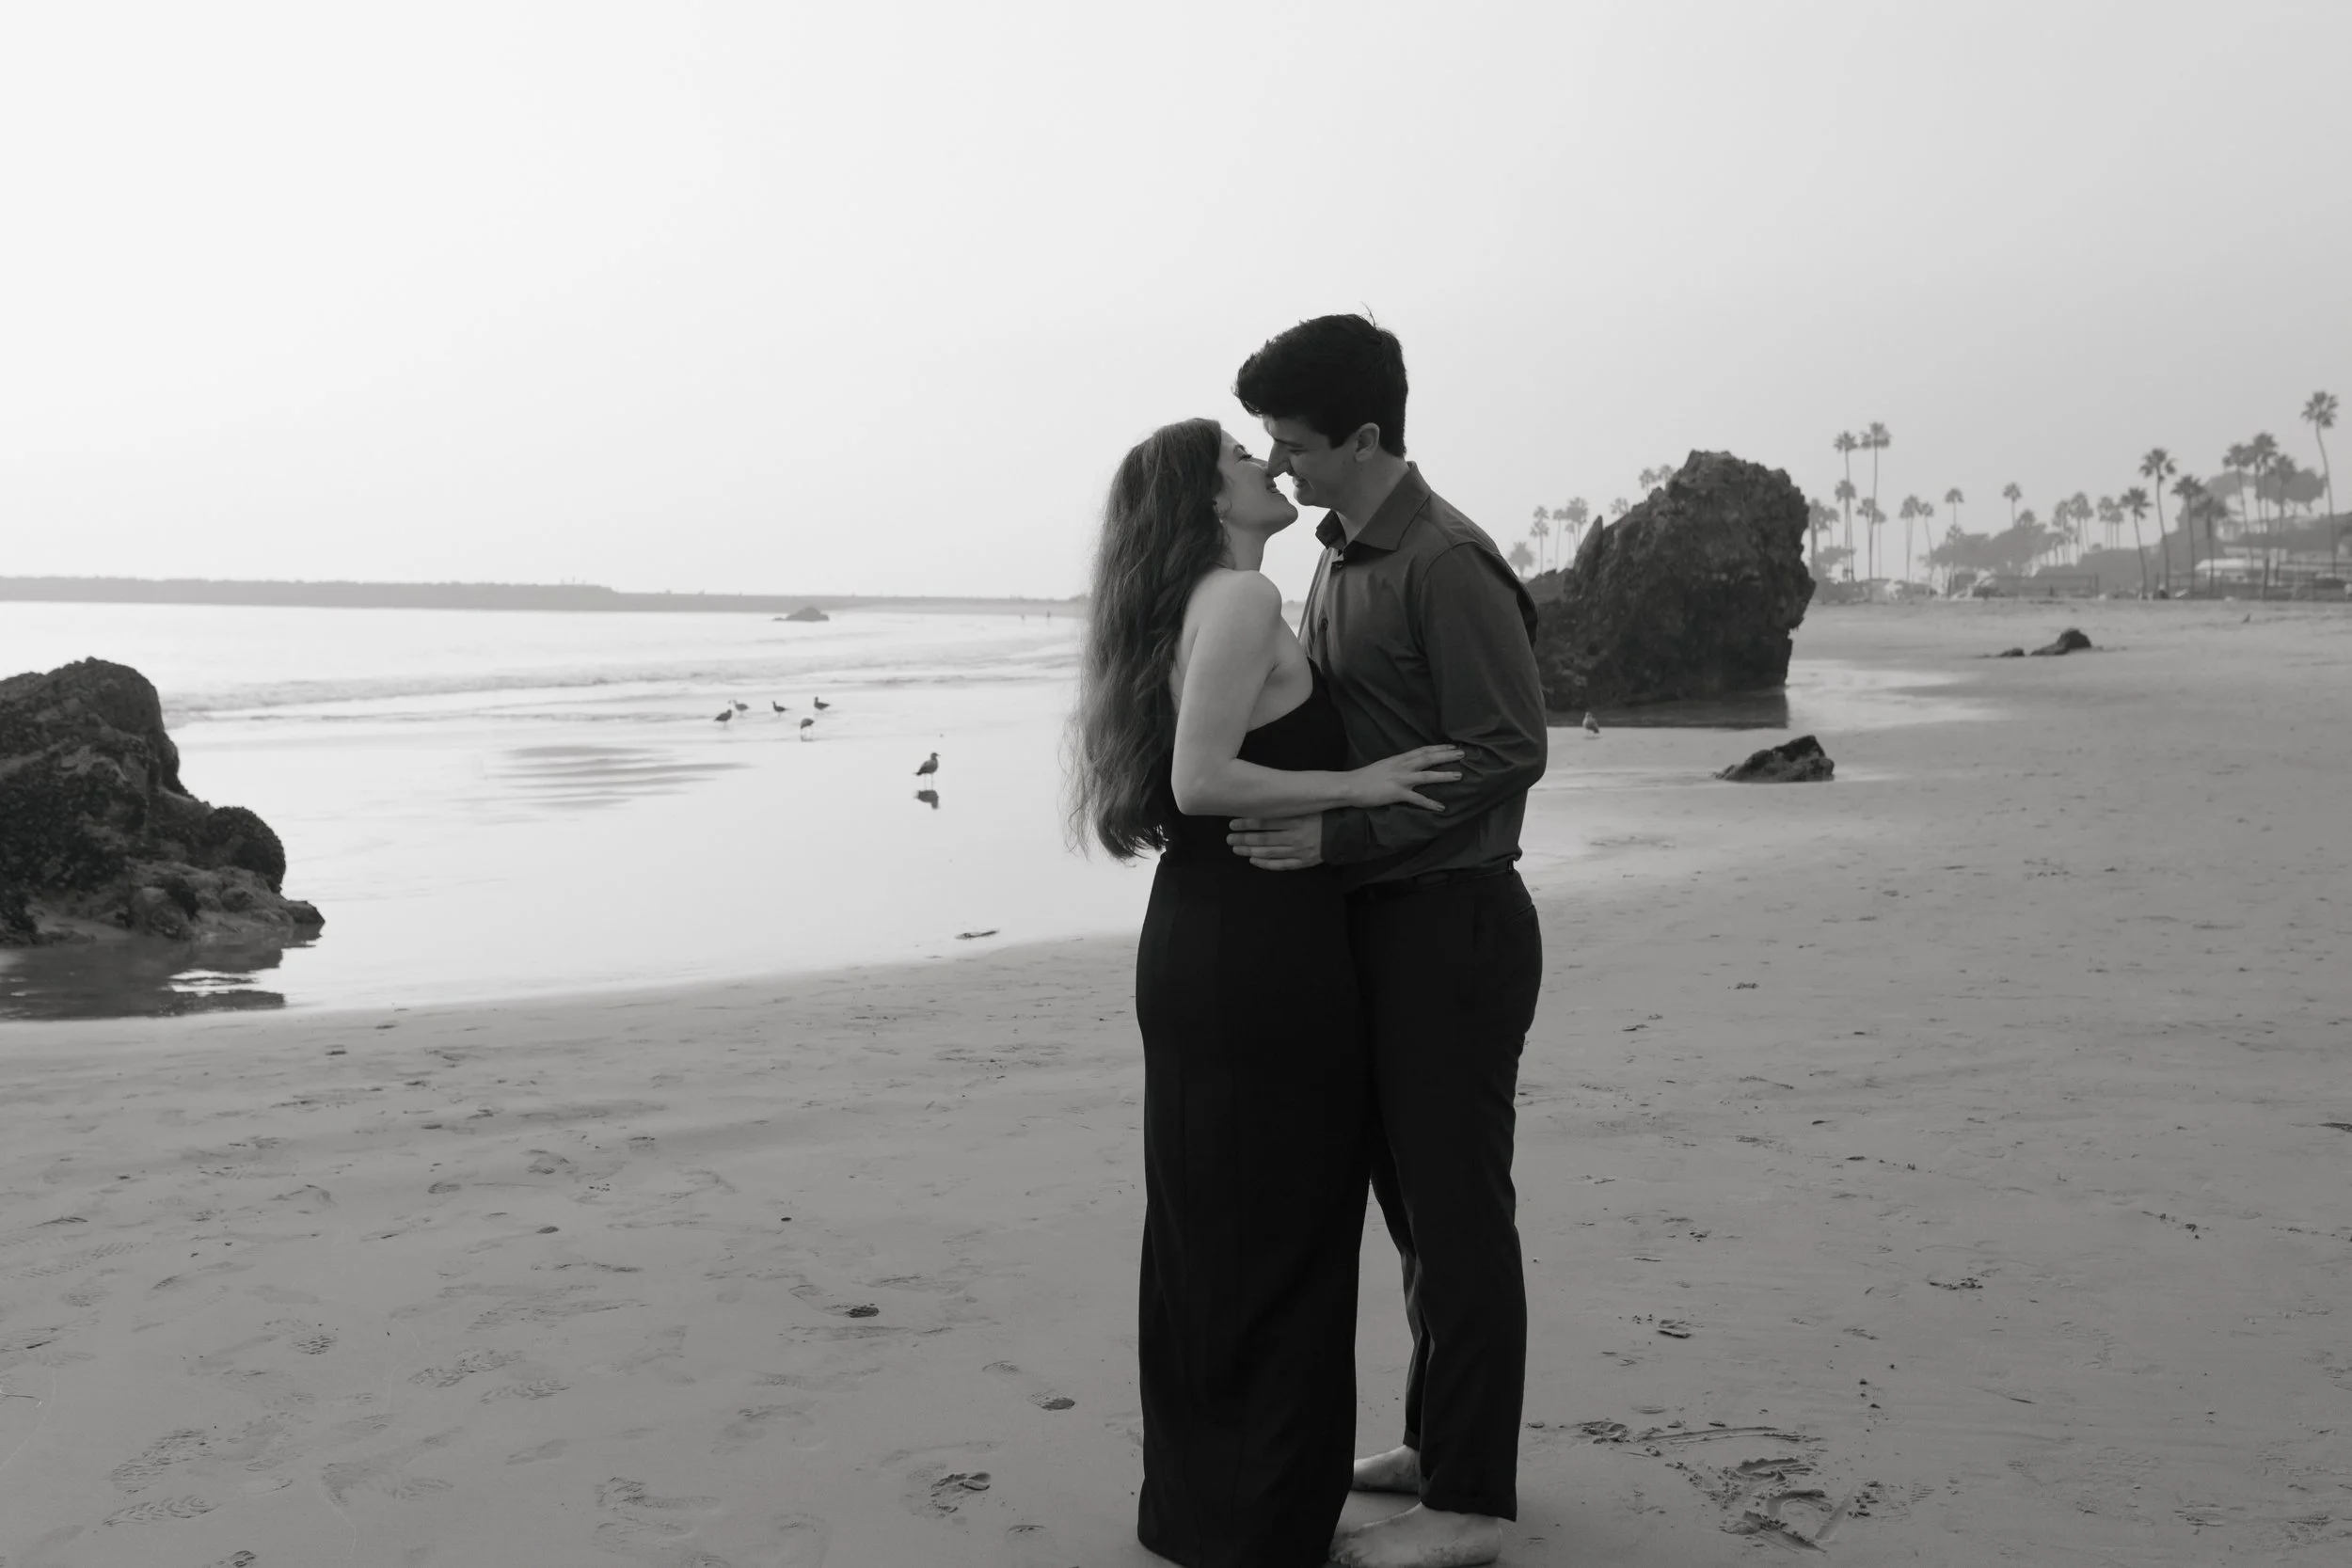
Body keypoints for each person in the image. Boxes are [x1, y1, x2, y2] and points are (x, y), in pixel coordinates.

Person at [1069, 419, 1465, 1568]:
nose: (1270, 468)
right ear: (1207, 499)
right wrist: (1362, 780)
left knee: (1212, 1228)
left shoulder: (1195, 604)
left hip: (1207, 937)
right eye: (1246, 461)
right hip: (1258, 942)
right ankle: (1257, 1521)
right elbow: (1199, 780)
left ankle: (1205, 1508)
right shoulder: (1240, 602)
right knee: (1282, 1227)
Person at [1228, 316, 1548, 1568]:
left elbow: (1508, 745)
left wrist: (1336, 846)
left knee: (1459, 1215)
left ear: (1365, 435)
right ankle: (1432, 1441)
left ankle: (1472, 1501)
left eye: (1293, 441)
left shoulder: (1446, 560)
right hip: (1376, 925)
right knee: (1411, 1211)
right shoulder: (1340, 554)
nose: (1280, 461)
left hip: (1452, 926)